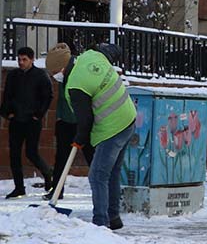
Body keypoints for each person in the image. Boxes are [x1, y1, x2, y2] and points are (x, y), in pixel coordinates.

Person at [45, 42, 136, 230]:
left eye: (54, 73)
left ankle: (100, 223)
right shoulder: (90, 55)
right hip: (128, 118)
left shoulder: (75, 85)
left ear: (61, 69)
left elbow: (85, 120)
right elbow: (111, 51)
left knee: (97, 176)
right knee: (112, 173)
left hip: (112, 127)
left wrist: (79, 140)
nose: (55, 78)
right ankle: (114, 218)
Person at [2, 46, 53, 198]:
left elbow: (48, 96)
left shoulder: (40, 75)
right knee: (14, 154)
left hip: (32, 120)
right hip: (16, 119)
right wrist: (7, 112)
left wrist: (38, 114)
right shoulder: (13, 76)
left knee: (31, 152)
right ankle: (19, 187)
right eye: (19, 59)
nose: (21, 62)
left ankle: (47, 173)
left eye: (24, 59)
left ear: (32, 60)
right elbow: (7, 95)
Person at [45, 48, 93, 200]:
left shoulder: (78, 74)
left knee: (93, 158)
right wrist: (59, 117)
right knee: (61, 159)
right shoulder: (62, 75)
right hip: (65, 122)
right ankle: (57, 189)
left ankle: (100, 193)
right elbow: (61, 99)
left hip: (83, 123)